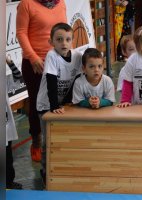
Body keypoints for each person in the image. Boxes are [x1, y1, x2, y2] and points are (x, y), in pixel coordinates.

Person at [16, 0, 67, 162]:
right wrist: (33, 57)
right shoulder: (27, 4)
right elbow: (21, 33)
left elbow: (65, 31)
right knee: (37, 103)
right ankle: (37, 142)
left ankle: (58, 139)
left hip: (57, 60)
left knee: (60, 101)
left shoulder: (61, 3)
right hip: (35, 63)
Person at [36, 23, 82, 185]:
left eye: (68, 39)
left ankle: (62, 168)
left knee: (63, 137)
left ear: (72, 41)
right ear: (51, 42)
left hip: (62, 104)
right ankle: (45, 170)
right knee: (47, 140)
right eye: (59, 40)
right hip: (46, 105)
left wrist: (68, 102)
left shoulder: (77, 56)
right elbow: (51, 81)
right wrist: (54, 106)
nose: (64, 43)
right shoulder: (51, 56)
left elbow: (77, 79)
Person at [6, 58, 23, 190]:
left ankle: (9, 182)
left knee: (7, 157)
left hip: (5, 128)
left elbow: (18, 77)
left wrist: (10, 62)